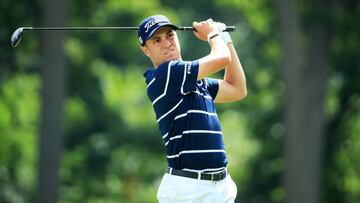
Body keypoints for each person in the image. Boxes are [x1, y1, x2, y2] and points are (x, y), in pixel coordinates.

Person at [138, 15, 247, 203]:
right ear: (146, 50)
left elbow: (237, 89)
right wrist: (213, 34)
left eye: (170, 35)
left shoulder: (196, 82)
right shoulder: (166, 74)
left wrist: (225, 39)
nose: (166, 43)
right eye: (157, 40)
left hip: (220, 187)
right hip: (188, 190)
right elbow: (221, 58)